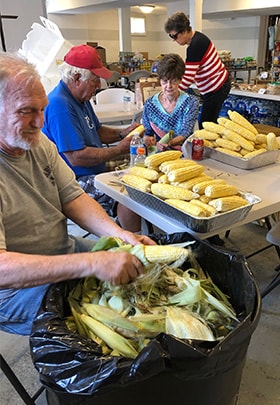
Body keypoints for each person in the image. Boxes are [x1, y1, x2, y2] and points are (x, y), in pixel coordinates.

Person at [0, 51, 155, 336]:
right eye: (26, 111)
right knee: (115, 319)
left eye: (42, 109)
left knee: (139, 274)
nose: (39, 122)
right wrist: (91, 263)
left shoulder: (38, 144)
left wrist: (120, 235)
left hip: (62, 249)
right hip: (12, 291)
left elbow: (73, 197)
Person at [42, 44, 142, 232]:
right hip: (76, 177)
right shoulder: (59, 105)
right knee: (129, 194)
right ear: (77, 78)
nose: (98, 86)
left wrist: (124, 131)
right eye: (95, 80)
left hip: (92, 168)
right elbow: (77, 156)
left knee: (142, 168)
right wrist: (120, 149)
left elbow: (96, 131)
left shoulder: (81, 98)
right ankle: (132, 241)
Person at [164, 12, 231, 129]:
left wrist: (170, 95)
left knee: (206, 125)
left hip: (217, 86)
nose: (174, 40)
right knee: (208, 123)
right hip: (214, 87)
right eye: (171, 37)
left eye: (174, 36)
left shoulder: (196, 44)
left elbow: (188, 77)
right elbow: (188, 71)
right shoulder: (197, 39)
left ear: (184, 31)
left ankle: (207, 147)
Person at [142, 53, 199, 151]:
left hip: (182, 152)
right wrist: (148, 140)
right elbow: (147, 133)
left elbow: (185, 133)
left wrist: (168, 143)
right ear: (159, 80)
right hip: (156, 152)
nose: (169, 86)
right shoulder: (150, 104)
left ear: (180, 80)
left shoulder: (191, 102)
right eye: (164, 81)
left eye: (173, 81)